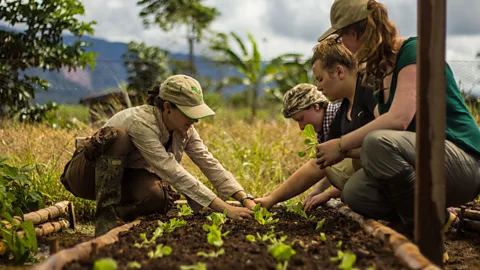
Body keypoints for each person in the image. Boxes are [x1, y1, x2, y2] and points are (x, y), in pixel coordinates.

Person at [315, 0, 480, 251]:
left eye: (340, 38)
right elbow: (385, 148)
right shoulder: (379, 74)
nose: (343, 46)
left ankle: (425, 234)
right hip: (427, 166)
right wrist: (342, 154)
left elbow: (398, 120)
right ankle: (428, 219)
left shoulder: (413, 51)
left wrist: (340, 144)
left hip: (463, 163)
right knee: (356, 192)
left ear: (354, 34)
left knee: (376, 141)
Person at [60, 74, 255, 236]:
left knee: (157, 196)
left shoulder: (184, 129)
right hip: (86, 176)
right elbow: (172, 171)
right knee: (119, 137)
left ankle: (119, 216)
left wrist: (243, 198)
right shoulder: (141, 122)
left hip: (125, 178)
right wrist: (225, 208)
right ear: (168, 107)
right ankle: (105, 220)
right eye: (190, 113)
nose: (195, 120)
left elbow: (209, 163)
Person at [255, 37, 376, 210]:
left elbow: (384, 142)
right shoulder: (343, 110)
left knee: (352, 191)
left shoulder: (369, 91)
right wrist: (271, 199)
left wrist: (343, 148)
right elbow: (319, 164)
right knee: (351, 190)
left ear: (340, 72)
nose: (318, 88)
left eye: (320, 79)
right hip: (376, 172)